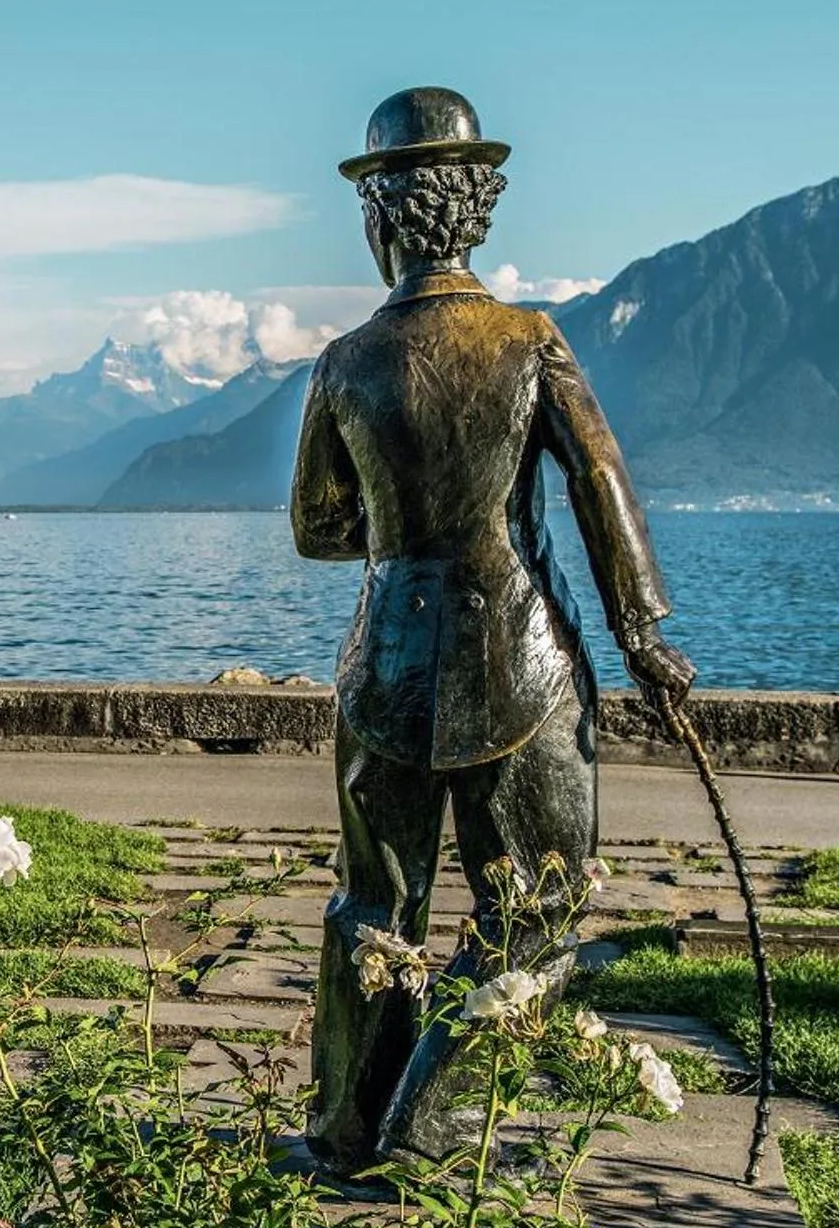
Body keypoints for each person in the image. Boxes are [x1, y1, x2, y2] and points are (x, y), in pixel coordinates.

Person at [293, 86, 696, 1168]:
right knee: (539, 897)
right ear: (476, 211)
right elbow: (598, 483)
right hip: (519, 658)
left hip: (381, 661)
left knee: (372, 901)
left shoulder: (342, 363)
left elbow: (317, 528)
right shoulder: (528, 341)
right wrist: (641, 632)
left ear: (382, 216)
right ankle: (431, 1125)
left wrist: (401, 532)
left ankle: (343, 1126)